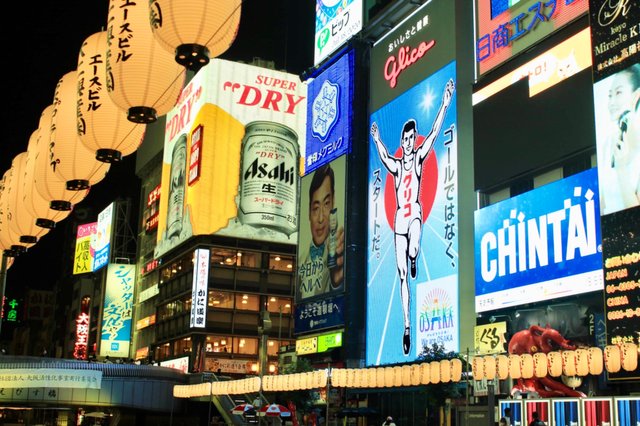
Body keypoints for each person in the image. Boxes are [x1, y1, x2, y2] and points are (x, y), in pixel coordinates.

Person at [370, 78, 455, 355]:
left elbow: (433, 133)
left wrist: (444, 103)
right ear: (401, 141)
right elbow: (383, 157)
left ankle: (415, 255)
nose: (408, 142)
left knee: (414, 247)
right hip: (398, 222)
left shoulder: (418, 158)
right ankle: (407, 326)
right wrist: (376, 138)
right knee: (402, 275)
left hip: (415, 214)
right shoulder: (396, 165)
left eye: (410, 138)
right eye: (405, 139)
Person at [298, 163, 345, 299]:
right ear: (308, 212)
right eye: (315, 208)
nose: (320, 219)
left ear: (333, 202)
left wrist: (336, 283)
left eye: (326, 204)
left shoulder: (340, 253)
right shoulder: (301, 262)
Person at [600, 63, 640, 214]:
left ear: (636, 95)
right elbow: (602, 206)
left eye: (618, 93)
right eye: (610, 95)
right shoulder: (607, 144)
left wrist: (621, 167)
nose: (611, 103)